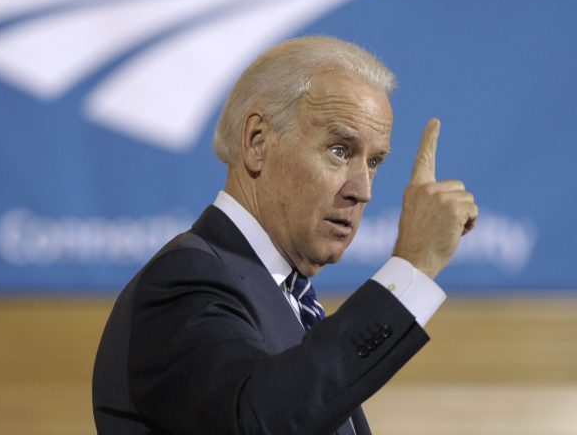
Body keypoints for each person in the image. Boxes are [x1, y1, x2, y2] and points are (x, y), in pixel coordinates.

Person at [92, 36, 478, 435]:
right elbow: (258, 421)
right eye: (340, 150)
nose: (362, 190)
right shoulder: (185, 281)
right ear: (257, 142)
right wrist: (411, 268)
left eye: (375, 161)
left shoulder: (290, 300)